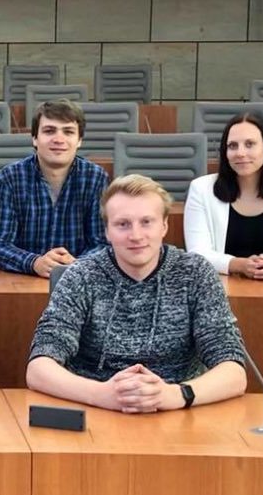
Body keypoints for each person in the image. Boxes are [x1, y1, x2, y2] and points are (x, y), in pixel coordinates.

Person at [27, 174, 247, 413]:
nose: (136, 235)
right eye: (123, 224)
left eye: (146, 222)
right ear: (107, 231)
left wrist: (177, 394)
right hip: (96, 410)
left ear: (164, 226)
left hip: (179, 410)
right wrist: (101, 394)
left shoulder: (196, 274)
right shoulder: (81, 275)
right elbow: (39, 368)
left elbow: (234, 370)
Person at [0, 99, 108, 278]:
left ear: (79, 140)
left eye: (68, 132)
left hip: (79, 283)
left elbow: (102, 244)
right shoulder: (10, 177)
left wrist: (75, 265)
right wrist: (35, 263)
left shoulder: (95, 178)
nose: (59, 139)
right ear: (34, 138)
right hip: (23, 281)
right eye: (49, 131)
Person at [184, 112, 263, 278]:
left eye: (250, 144)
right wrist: (239, 265)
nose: (240, 153)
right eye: (233, 146)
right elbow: (197, 253)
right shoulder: (201, 189)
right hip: (218, 290)